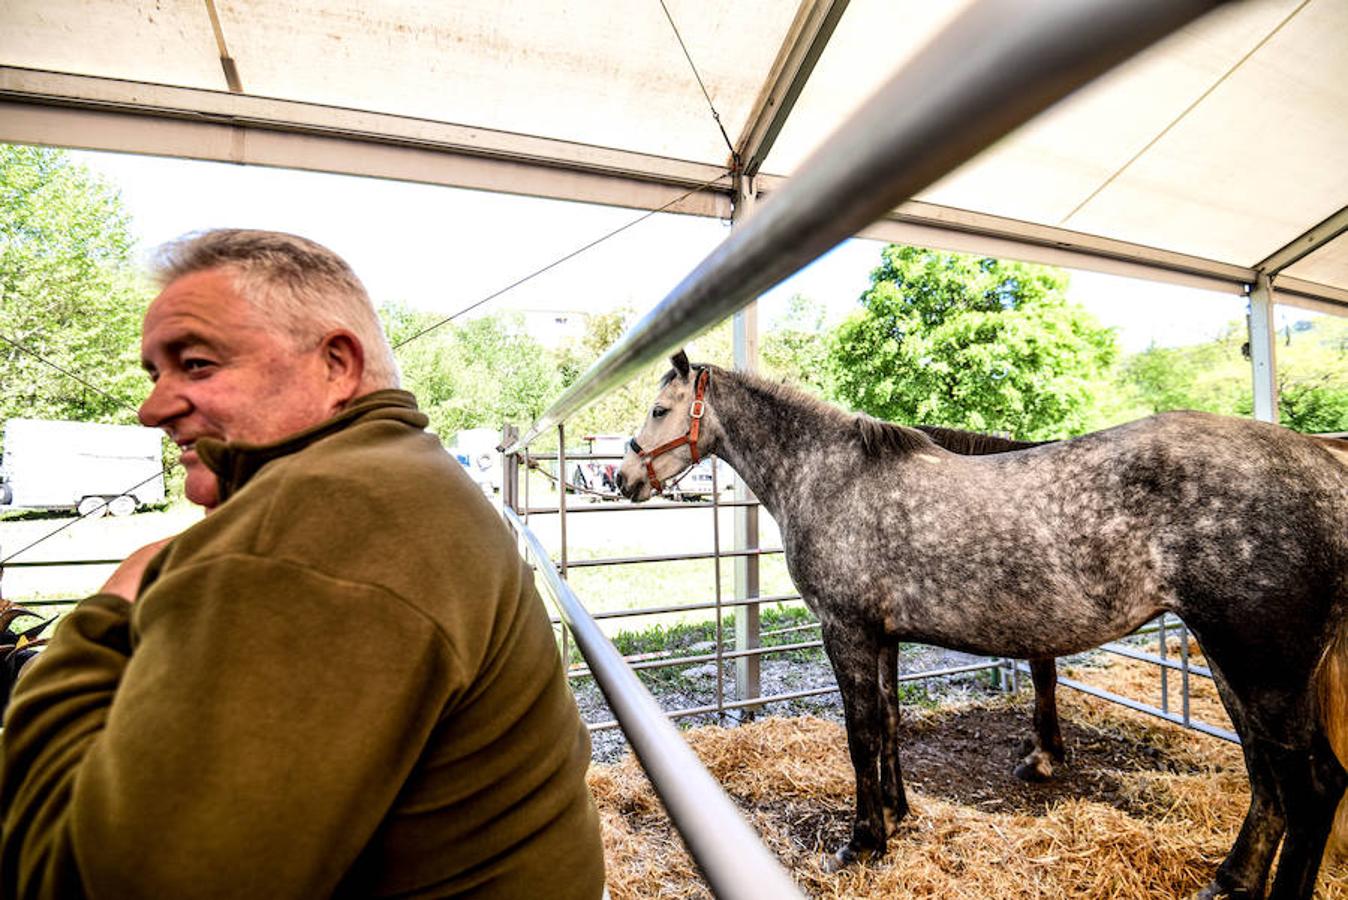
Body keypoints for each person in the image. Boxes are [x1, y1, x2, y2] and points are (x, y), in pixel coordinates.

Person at [0, 230, 606, 898]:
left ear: (336, 366)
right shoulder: (401, 475)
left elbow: (109, 885)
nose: (152, 409)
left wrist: (107, 614)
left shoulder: (336, 507)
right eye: (154, 374)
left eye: (196, 364)